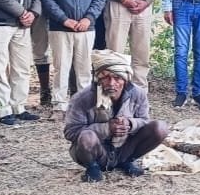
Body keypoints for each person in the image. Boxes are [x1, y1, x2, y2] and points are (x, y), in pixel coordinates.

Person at [64, 51, 169, 183]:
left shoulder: (138, 94)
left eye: (117, 78)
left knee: (161, 128)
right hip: (96, 151)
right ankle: (92, 167)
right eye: (106, 77)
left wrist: (130, 124)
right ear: (98, 78)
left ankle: (127, 161)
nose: (111, 83)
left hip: (125, 148)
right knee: (87, 137)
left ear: (125, 80)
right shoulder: (82, 98)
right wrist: (106, 129)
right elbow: (70, 132)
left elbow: (145, 121)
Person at [39, 0, 106, 116]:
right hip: (60, 28)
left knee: (84, 68)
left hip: (86, 28)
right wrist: (64, 19)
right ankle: (59, 105)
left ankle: (84, 107)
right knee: (62, 67)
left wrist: (88, 18)